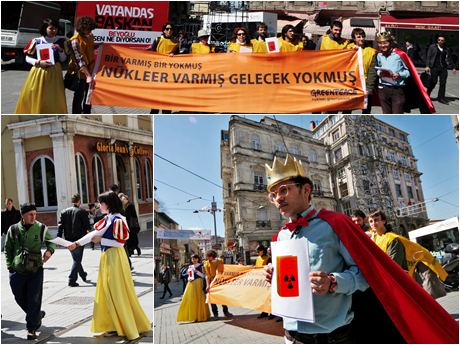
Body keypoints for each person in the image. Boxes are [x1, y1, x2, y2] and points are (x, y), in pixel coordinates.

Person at [264, 154, 368, 343]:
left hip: (331, 336)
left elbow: (365, 274)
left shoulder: (335, 223)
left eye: (284, 190)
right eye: (273, 194)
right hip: (291, 334)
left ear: (306, 189)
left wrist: (333, 282)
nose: (278, 198)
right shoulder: (282, 235)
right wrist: (275, 276)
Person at [67, 191, 150, 341]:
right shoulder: (110, 218)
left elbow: (120, 242)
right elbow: (93, 234)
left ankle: (127, 326)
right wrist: (77, 243)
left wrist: (101, 240)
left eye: (101, 202)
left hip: (115, 257)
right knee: (108, 291)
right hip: (108, 257)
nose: (99, 205)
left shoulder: (118, 219)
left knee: (117, 291)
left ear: (108, 204)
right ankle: (113, 324)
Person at [4, 203, 55, 340]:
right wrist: (10, 266)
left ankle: (31, 328)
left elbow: (51, 241)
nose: (34, 217)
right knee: (19, 297)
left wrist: (49, 251)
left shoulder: (41, 228)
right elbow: (7, 248)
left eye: (35, 214)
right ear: (23, 215)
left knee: (34, 299)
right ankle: (36, 315)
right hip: (17, 270)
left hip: (35, 270)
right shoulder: (13, 229)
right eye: (30, 214)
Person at [368, 210, 447, 284]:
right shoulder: (374, 238)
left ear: (384, 221)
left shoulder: (392, 239)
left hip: (402, 278)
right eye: (371, 221)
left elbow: (394, 264)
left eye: (376, 220)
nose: (374, 223)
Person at [15, 18, 67, 114]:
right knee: (36, 94)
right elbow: (27, 58)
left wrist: (60, 50)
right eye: (51, 28)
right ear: (45, 28)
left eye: (55, 28)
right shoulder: (36, 41)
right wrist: (38, 62)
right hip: (39, 72)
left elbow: (63, 59)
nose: (54, 31)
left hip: (55, 73)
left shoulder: (60, 42)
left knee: (53, 97)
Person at [57, 193, 90, 287]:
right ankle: (72, 279)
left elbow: (60, 226)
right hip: (79, 239)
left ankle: (83, 274)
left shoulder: (64, 212)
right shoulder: (82, 212)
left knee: (76, 259)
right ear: (79, 201)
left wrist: (59, 238)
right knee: (77, 259)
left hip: (68, 239)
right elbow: (87, 226)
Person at [67, 16, 96, 114]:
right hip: (79, 72)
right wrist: (88, 76)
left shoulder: (90, 36)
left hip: (90, 71)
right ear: (80, 27)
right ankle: (76, 113)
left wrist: (101, 45)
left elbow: (90, 46)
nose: (88, 31)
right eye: (85, 28)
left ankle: (87, 113)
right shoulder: (75, 40)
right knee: (79, 96)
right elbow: (79, 60)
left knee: (89, 95)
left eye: (89, 29)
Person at [375, 32, 410, 114]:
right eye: (380, 43)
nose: (382, 45)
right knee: (386, 114)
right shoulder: (378, 55)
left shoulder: (399, 54)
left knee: (397, 113)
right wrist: (379, 73)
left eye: (385, 43)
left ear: (390, 43)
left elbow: (408, 71)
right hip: (383, 89)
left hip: (397, 90)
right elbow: (377, 68)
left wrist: (399, 74)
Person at [147, 22, 178, 114]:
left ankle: (166, 112)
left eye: (171, 29)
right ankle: (154, 111)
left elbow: (179, 57)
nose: (169, 31)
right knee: (156, 96)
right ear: (164, 30)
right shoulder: (158, 39)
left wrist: (174, 55)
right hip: (158, 73)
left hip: (169, 74)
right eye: (167, 29)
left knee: (167, 96)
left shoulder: (176, 42)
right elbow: (152, 54)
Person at [348, 28, 378, 114]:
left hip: (365, 84)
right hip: (350, 84)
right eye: (359, 37)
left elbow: (372, 72)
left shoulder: (371, 51)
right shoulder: (348, 49)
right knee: (347, 109)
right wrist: (351, 51)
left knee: (366, 110)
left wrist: (369, 88)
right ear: (354, 39)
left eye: (363, 36)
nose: (362, 38)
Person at [177, 254, 210, 322]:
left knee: (199, 299)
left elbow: (203, 276)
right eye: (192, 259)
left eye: (195, 258)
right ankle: (193, 316)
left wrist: (196, 271)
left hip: (199, 283)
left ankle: (200, 315)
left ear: (198, 259)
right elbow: (189, 275)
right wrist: (189, 278)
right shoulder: (190, 266)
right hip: (191, 283)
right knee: (190, 299)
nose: (194, 260)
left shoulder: (201, 266)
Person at [425, 34, 457, 104]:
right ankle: (427, 93)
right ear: (437, 40)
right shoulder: (432, 47)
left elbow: (449, 58)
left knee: (443, 83)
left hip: (443, 68)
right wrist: (427, 66)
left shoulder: (446, 49)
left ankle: (441, 98)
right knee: (434, 81)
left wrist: (453, 67)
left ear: (444, 41)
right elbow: (428, 56)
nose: (440, 41)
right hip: (434, 67)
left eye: (442, 40)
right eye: (439, 40)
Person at [204, 250, 232, 318]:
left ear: (212, 256)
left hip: (220, 281)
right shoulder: (206, 263)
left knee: (222, 297)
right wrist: (208, 285)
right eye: (207, 257)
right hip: (211, 281)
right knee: (212, 298)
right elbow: (207, 275)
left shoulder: (219, 261)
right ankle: (215, 314)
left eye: (209, 257)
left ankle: (226, 312)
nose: (208, 258)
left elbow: (222, 270)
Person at [255, 245, 271, 319]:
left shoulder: (268, 258)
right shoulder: (258, 258)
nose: (257, 253)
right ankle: (264, 312)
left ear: (262, 251)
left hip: (267, 280)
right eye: (257, 251)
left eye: (258, 251)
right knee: (262, 297)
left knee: (269, 297)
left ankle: (272, 313)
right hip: (260, 281)